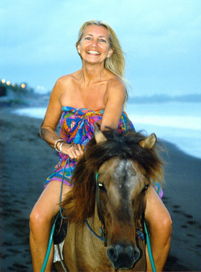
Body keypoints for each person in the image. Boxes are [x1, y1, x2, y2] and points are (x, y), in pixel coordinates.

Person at [29, 20, 172, 272]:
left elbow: (104, 133)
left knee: (162, 222)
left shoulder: (115, 85)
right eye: (88, 38)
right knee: (38, 217)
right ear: (78, 46)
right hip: (71, 164)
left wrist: (85, 150)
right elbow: (46, 128)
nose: (94, 44)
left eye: (102, 40)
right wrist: (62, 145)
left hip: (117, 162)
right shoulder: (63, 83)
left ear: (109, 51)